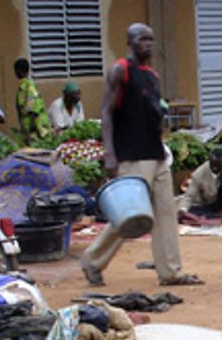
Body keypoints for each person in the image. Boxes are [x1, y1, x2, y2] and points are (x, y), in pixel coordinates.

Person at [81, 23, 202, 288]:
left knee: (166, 213)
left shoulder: (153, 76)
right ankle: (92, 260)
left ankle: (170, 272)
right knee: (129, 215)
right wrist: (109, 154)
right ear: (130, 42)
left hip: (156, 153)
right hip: (132, 155)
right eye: (141, 39)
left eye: (150, 39)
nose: (147, 44)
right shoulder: (121, 71)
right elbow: (106, 112)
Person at [13, 58, 52, 146]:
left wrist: (35, 133)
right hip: (30, 130)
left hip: (36, 130)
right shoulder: (23, 87)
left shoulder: (29, 87)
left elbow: (33, 109)